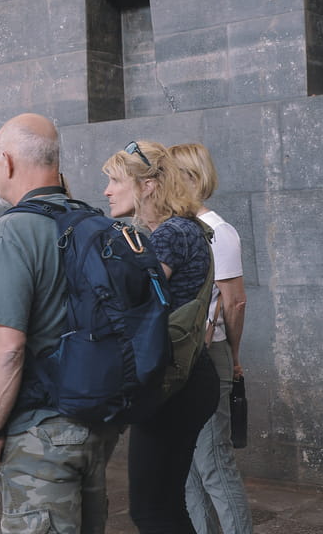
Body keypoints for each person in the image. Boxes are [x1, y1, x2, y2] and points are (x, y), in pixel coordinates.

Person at [0, 113, 121, 534]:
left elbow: (8, 346)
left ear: (7, 161)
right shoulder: (98, 223)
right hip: (97, 421)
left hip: (41, 431)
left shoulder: (14, 231)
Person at [102, 140, 221, 534]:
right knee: (166, 504)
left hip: (175, 384)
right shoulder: (186, 228)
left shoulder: (170, 234)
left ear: (148, 185)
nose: (107, 191)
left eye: (116, 181)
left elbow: (132, 305)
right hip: (190, 377)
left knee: (152, 510)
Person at [169, 143, 253, 534]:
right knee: (185, 466)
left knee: (213, 463)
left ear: (189, 177)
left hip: (209, 351)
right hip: (183, 356)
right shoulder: (179, 231)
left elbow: (234, 303)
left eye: (169, 174)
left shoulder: (219, 232)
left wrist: (233, 358)